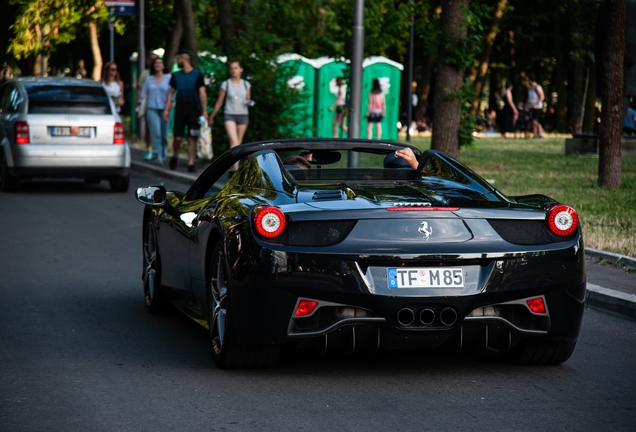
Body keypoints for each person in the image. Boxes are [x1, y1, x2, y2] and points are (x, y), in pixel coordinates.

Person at [163, 50, 207, 173]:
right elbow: (170, 93)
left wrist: (204, 111)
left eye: (178, 59)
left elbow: (202, 94)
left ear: (183, 59)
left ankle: (191, 162)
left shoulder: (197, 75)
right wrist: (166, 109)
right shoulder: (176, 75)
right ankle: (175, 154)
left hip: (194, 110)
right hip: (180, 110)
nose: (177, 62)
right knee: (177, 137)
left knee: (192, 137)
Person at [209, 61, 252, 161]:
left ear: (241, 70)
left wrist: (249, 103)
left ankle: (233, 166)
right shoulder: (226, 84)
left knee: (238, 143)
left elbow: (248, 99)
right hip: (229, 114)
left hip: (243, 114)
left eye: (236, 68)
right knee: (234, 140)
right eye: (231, 68)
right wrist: (212, 117)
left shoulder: (246, 84)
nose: (233, 70)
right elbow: (219, 102)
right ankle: (235, 168)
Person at [141, 57, 171, 165]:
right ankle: (157, 156)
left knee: (164, 135)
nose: (158, 64)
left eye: (160, 63)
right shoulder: (149, 79)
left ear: (164, 66)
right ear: (153, 66)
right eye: (156, 63)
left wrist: (172, 104)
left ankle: (163, 154)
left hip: (165, 109)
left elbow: (172, 94)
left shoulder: (168, 78)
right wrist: (139, 106)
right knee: (156, 133)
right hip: (151, 108)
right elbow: (143, 95)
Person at [137, 51, 159, 160]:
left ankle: (157, 150)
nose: (154, 61)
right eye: (152, 59)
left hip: (160, 105)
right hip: (148, 104)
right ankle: (149, 149)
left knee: (159, 130)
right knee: (149, 128)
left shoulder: (164, 75)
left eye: (156, 59)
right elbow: (140, 89)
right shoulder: (145, 74)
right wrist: (138, 103)